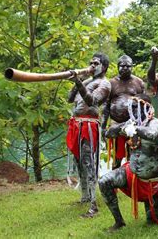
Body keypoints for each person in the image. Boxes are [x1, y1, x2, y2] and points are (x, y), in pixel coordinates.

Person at [98, 94, 158, 232]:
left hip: (153, 180)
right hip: (132, 173)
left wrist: (133, 129)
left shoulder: (156, 123)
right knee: (104, 182)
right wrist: (114, 126)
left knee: (153, 221)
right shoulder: (131, 124)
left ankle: (156, 210)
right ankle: (119, 222)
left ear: (148, 107)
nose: (134, 111)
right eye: (132, 107)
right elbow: (108, 134)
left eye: (138, 107)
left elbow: (151, 134)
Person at [66, 52, 111, 217]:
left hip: (89, 126)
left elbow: (92, 101)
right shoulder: (86, 81)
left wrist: (78, 81)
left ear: (104, 67)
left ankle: (94, 206)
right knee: (79, 161)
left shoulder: (105, 84)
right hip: (76, 124)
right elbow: (70, 99)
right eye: (90, 63)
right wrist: (77, 78)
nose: (92, 66)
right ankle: (85, 196)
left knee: (88, 163)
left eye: (95, 63)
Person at [102, 55, 145, 169]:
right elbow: (106, 106)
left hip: (133, 124)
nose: (125, 68)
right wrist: (103, 126)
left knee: (133, 156)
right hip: (116, 124)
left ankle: (130, 184)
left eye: (128, 66)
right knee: (117, 157)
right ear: (117, 67)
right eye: (122, 66)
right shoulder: (111, 83)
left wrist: (143, 125)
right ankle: (114, 183)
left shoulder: (139, 83)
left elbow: (144, 105)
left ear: (132, 67)